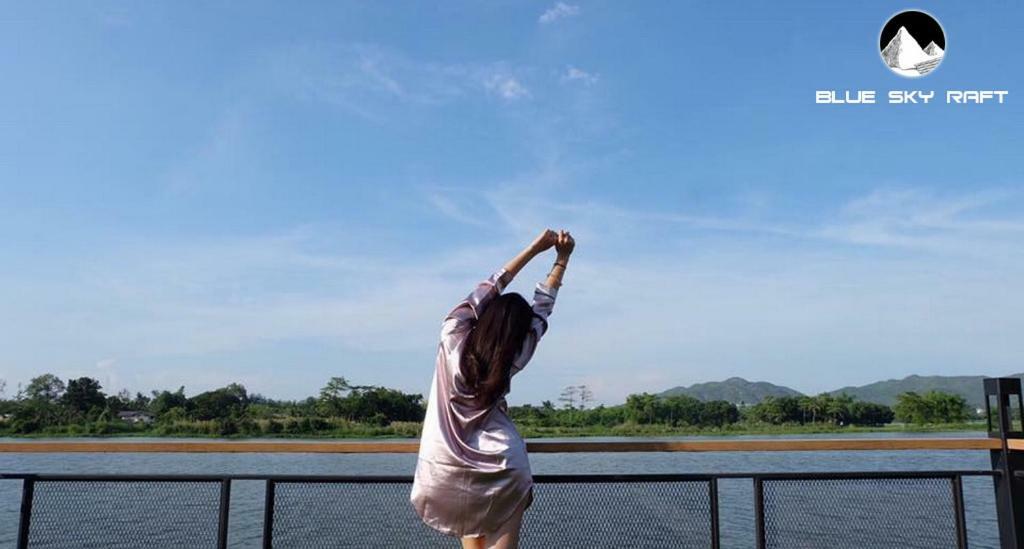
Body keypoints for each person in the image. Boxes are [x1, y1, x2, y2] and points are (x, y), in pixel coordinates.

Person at [410, 228, 575, 549]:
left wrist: (534, 248)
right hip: (502, 461)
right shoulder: (515, 354)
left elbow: (490, 285)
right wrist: (562, 260)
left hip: (447, 467)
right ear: (517, 332)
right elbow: (543, 307)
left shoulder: (452, 334)